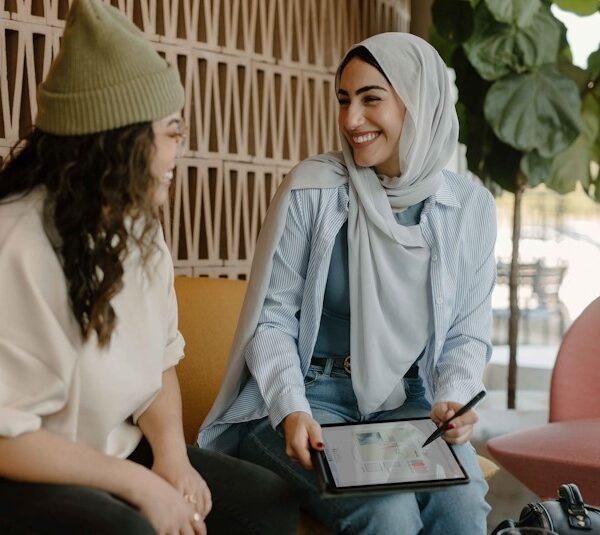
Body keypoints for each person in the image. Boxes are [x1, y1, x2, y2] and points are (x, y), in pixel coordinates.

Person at [0, 1, 299, 534]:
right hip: (22, 471)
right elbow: (5, 435)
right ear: (119, 139)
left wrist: (172, 459)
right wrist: (136, 484)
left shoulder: (139, 230)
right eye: (172, 131)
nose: (179, 150)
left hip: (111, 452)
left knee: (264, 501)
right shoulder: (15, 243)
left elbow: (159, 361)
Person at [200, 32, 496, 534]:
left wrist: (455, 398)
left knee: (461, 507)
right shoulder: (313, 189)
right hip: (308, 400)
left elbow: (467, 334)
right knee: (387, 512)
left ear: (418, 104)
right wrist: (291, 409)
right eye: (344, 100)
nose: (351, 120)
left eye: (371, 99)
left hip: (410, 403)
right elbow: (271, 319)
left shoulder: (469, 208)